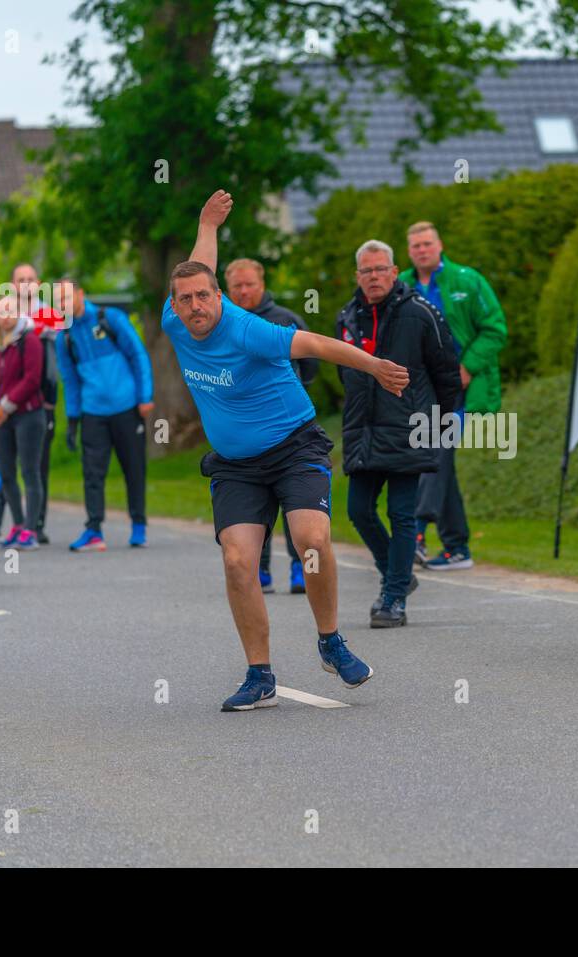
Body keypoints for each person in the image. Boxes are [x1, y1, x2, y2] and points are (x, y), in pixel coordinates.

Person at [163, 190, 409, 711]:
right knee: (237, 561)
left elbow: (318, 344)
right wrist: (208, 223)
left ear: (220, 298)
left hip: (294, 447)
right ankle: (259, 675)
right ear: (175, 303)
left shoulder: (248, 329)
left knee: (312, 538)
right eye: (184, 299)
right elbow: (199, 265)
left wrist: (375, 366)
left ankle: (331, 641)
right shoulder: (176, 321)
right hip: (236, 465)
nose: (195, 306)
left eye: (204, 297)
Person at [338, 240, 462, 627]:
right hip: (363, 429)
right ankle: (400, 574)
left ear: (394, 272)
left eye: (381, 269)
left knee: (401, 513)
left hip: (411, 428)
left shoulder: (422, 313)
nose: (374, 277)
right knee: (358, 510)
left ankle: (394, 599)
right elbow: (345, 373)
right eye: (366, 271)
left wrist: (437, 424)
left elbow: (447, 372)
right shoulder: (347, 317)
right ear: (357, 276)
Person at [401, 222, 507, 571]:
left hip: (463, 390)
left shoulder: (468, 280)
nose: (421, 250)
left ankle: (416, 532)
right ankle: (457, 546)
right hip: (421, 392)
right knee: (439, 456)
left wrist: (467, 368)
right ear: (409, 250)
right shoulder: (402, 285)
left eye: (427, 243)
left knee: (436, 450)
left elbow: (495, 329)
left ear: (440, 245)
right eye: (415, 245)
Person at [224, 257, 317, 595]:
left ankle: (299, 567)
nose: (244, 291)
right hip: (243, 430)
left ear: (262, 284)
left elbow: (310, 365)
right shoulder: (224, 325)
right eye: (237, 286)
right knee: (255, 504)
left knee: (296, 504)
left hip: (288, 430)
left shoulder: (286, 320)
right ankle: (259, 569)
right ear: (228, 289)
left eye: (249, 284)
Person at [56, 278, 154, 552]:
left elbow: (138, 355)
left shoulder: (110, 318)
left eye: (66, 297)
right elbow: (70, 380)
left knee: (134, 467)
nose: (63, 305)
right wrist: (73, 419)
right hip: (93, 412)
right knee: (92, 473)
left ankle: (138, 525)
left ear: (80, 294)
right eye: (58, 301)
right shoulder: (64, 337)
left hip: (127, 407)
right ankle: (94, 529)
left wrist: (145, 396)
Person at [0, 295, 47, 551]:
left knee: (29, 471)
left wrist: (6, 405)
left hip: (28, 415)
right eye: (2, 311)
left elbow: (32, 380)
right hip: (1, 416)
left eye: (11, 311)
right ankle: (18, 524)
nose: (7, 316)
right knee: (5, 472)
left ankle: (31, 529)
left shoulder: (30, 340)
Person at [11, 262, 63, 545]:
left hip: (42, 401)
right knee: (8, 464)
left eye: (31, 279)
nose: (27, 284)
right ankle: (15, 521)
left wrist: (50, 401)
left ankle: (37, 523)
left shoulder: (51, 316)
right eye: (21, 280)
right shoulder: (4, 314)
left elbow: (54, 364)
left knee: (38, 463)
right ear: (13, 285)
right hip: (10, 402)